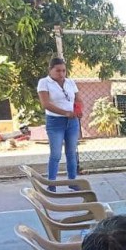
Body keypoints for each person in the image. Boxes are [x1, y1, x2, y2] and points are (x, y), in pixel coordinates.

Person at [37, 57, 82, 188]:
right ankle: (51, 184)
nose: (61, 74)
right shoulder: (44, 82)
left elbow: (78, 99)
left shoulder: (70, 82)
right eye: (58, 71)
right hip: (55, 121)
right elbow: (46, 104)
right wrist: (65, 113)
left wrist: (78, 110)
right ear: (50, 70)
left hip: (72, 122)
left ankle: (72, 182)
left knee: (71, 153)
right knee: (56, 154)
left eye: (63, 71)